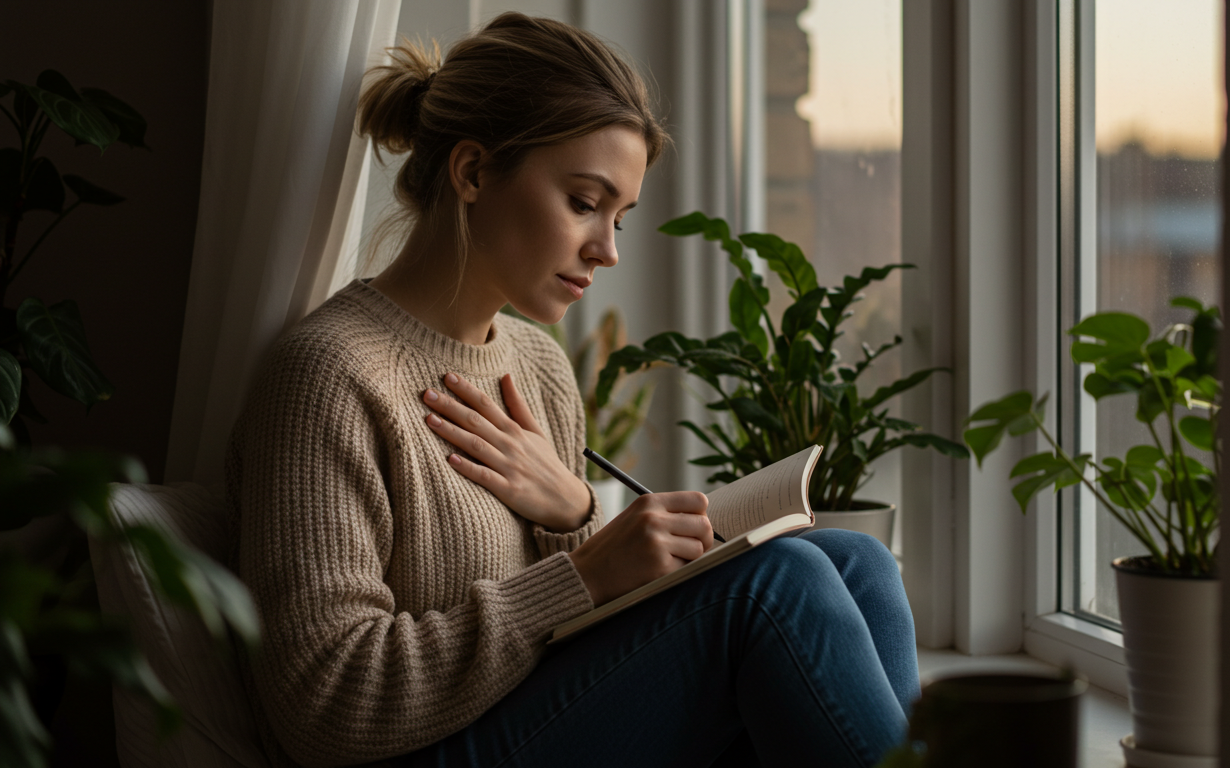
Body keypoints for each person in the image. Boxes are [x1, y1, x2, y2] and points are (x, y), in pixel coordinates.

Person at [227, 12, 919, 768]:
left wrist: (578, 515)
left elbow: (574, 633)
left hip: (522, 720)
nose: (609, 250)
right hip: (405, 754)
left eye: (619, 217)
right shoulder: (330, 372)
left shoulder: (538, 365)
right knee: (775, 585)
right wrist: (585, 569)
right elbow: (322, 704)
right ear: (472, 171)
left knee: (859, 564)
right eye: (584, 204)